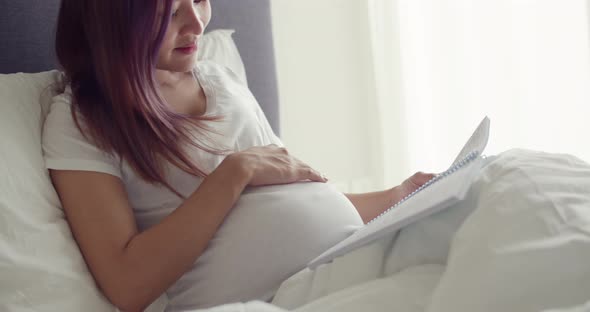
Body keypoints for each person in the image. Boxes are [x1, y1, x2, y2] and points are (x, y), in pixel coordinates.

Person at [43, 0, 434, 311]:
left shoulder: (220, 79)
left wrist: (398, 199)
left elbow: (293, 196)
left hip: (339, 262)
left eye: (198, 0)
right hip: (265, 298)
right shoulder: (82, 120)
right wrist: (233, 173)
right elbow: (127, 284)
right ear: (114, 22)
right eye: (169, 14)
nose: (197, 24)